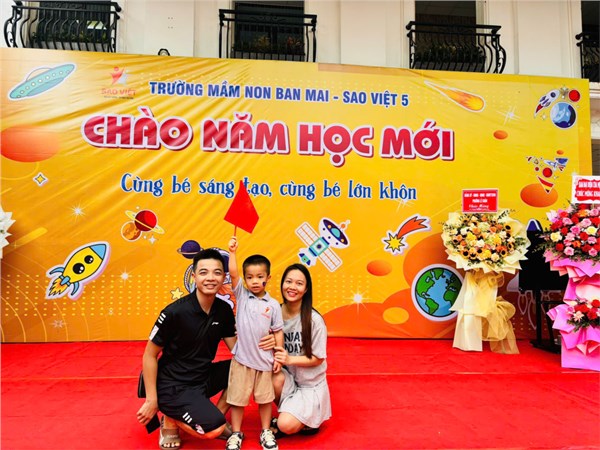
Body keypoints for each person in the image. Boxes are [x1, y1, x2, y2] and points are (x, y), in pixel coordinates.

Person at [136, 248, 271, 449]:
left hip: (202, 376)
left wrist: (269, 341)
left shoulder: (223, 310)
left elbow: (238, 350)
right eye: (203, 272)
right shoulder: (175, 312)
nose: (210, 278)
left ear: (223, 277)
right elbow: (149, 355)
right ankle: (170, 420)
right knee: (214, 431)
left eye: (217, 272)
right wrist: (151, 400)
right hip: (173, 384)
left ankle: (212, 416)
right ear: (194, 276)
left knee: (245, 368)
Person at [226, 236, 284, 450]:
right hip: (242, 361)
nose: (255, 281)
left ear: (268, 277)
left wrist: (278, 355)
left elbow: (278, 331)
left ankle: (266, 430)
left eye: (260, 277)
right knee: (237, 400)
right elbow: (233, 273)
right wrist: (232, 252)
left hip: (265, 362)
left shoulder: (273, 305)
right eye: (250, 277)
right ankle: (236, 433)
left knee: (265, 400)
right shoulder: (242, 295)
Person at [271, 263, 332, 437]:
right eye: (288, 281)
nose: (292, 287)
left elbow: (318, 358)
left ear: (306, 289)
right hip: (289, 380)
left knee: (285, 425)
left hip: (310, 386)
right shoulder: (274, 313)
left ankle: (303, 418)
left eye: (299, 283)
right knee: (269, 377)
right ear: (282, 284)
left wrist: (289, 359)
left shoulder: (314, 320)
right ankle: (291, 411)